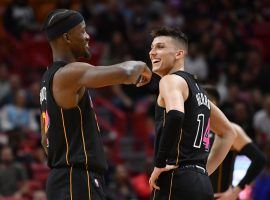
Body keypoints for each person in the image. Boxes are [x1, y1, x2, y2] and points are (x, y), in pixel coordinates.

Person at [40, 9, 152, 200]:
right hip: (76, 180)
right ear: (67, 37)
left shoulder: (48, 79)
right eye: (82, 31)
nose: (88, 36)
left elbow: (45, 141)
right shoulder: (70, 73)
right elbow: (126, 73)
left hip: (67, 180)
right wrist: (142, 66)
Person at [148, 27, 236, 200]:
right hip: (201, 184)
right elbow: (228, 133)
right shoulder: (199, 92)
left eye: (160, 47)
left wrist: (159, 163)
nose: (152, 52)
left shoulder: (170, 80)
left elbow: (175, 115)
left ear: (179, 54)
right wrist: (203, 171)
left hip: (175, 177)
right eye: (151, 47)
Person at [204, 85, 266, 200]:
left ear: (214, 104)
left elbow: (259, 159)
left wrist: (235, 191)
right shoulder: (190, 130)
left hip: (221, 196)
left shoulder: (230, 130)